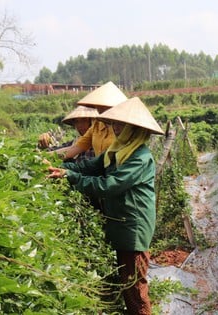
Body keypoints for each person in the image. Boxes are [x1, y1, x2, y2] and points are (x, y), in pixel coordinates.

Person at [46, 97, 164, 315]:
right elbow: (91, 166)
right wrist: (61, 167)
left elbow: (109, 185)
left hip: (133, 226)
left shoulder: (140, 157)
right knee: (128, 283)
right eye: (114, 124)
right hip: (121, 223)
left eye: (121, 125)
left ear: (134, 129)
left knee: (135, 289)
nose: (116, 129)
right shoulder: (117, 150)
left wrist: (70, 176)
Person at [51, 81, 128, 160]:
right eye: (98, 105)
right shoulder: (97, 125)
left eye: (103, 105)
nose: (99, 108)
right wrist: (46, 156)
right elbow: (75, 148)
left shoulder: (125, 126)